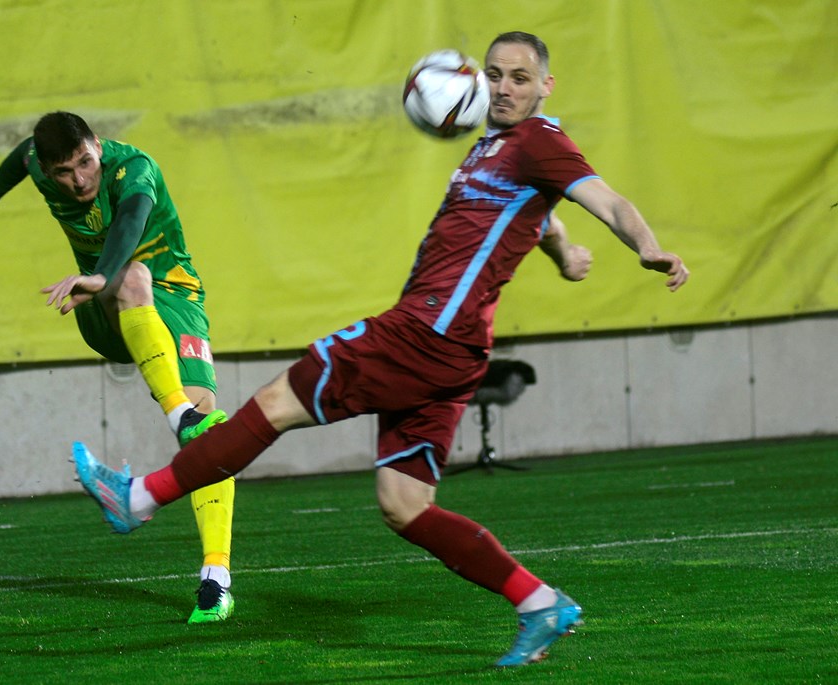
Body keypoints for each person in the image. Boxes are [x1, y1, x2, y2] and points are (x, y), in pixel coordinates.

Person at [72, 31, 689, 667]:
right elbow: (543, 216)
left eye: (520, 78)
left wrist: (647, 246)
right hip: (454, 350)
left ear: (546, 86)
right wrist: (562, 255)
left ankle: (139, 497)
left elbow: (605, 199)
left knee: (276, 402)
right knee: (405, 505)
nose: (504, 88)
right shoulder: (496, 148)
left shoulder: (540, 142)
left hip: (425, 333)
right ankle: (539, 603)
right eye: (495, 74)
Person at [0, 112, 239, 624]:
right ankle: (179, 417)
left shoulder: (134, 168)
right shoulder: (40, 165)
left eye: (85, 162)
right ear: (48, 170)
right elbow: (21, 156)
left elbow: (130, 219)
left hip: (175, 298)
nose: (80, 180)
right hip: (102, 302)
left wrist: (101, 273)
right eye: (64, 172)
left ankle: (215, 582)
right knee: (133, 277)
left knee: (210, 439)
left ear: (97, 146)